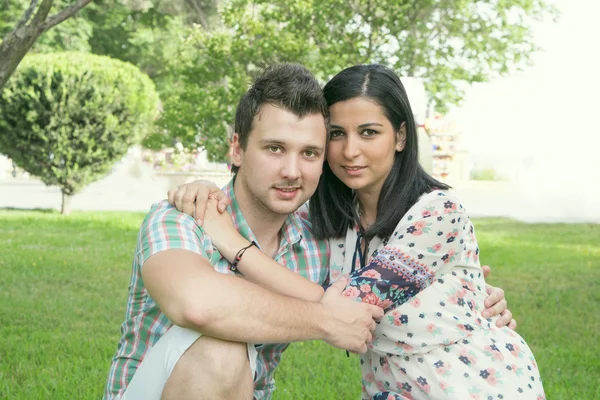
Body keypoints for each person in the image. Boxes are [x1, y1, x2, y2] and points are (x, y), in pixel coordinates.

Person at [170, 64, 542, 399]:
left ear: (399, 137)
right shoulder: (332, 219)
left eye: (369, 132)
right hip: (392, 389)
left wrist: (233, 243)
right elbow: (260, 195)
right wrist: (204, 188)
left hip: (475, 384)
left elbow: (347, 306)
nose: (350, 150)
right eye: (336, 134)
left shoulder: (437, 212)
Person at [103, 63, 385, 400]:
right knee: (219, 349)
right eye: (274, 149)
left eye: (309, 153)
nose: (292, 171)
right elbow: (197, 304)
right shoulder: (184, 217)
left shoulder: (320, 240)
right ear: (237, 148)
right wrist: (326, 320)